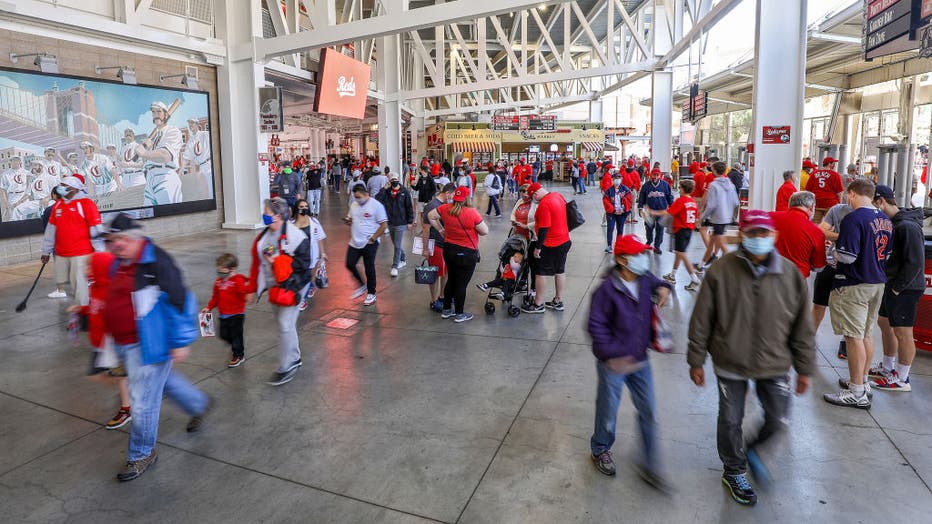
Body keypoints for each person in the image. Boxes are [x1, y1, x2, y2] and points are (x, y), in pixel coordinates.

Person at [687, 210, 815, 506]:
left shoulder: (790, 274)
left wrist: (805, 367)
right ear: (741, 235)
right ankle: (734, 469)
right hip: (730, 359)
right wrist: (696, 359)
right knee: (731, 419)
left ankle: (753, 449)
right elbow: (701, 319)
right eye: (752, 233)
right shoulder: (722, 271)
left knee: (778, 420)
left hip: (774, 361)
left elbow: (802, 327)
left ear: (774, 236)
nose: (758, 238)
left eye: (764, 233)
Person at [102, 213, 209, 481]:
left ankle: (142, 454)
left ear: (134, 238)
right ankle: (199, 404)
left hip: (149, 344)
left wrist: (181, 341)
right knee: (166, 382)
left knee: (142, 402)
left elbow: (182, 300)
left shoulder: (157, 262)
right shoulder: (120, 262)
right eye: (111, 241)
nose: (114, 245)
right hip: (127, 343)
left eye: (119, 240)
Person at [588, 234, 672, 490]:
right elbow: (595, 327)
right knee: (608, 411)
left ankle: (650, 463)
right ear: (623, 260)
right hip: (614, 363)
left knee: (648, 410)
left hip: (640, 359)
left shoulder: (645, 279)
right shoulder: (605, 291)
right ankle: (601, 448)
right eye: (638, 254)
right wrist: (613, 355)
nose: (643, 258)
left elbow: (658, 282)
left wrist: (664, 287)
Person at [823, 179, 893, 409]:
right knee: (865, 335)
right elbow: (888, 254)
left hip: (855, 283)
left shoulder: (853, 218)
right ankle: (862, 382)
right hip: (877, 282)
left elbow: (847, 255)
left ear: (851, 194)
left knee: (853, 337)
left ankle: (856, 392)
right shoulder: (884, 219)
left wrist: (833, 252)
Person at [247, 198, 312, 386]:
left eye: (266, 212)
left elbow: (304, 267)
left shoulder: (297, 237)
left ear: (277, 215)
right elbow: (256, 266)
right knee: (285, 324)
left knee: (285, 324)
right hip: (274, 288)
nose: (264, 215)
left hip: (294, 286)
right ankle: (295, 356)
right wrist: (254, 289)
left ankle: (286, 366)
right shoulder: (262, 239)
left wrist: (291, 284)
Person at [68, 250, 132, 430]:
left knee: (119, 376)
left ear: (101, 268)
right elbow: (94, 307)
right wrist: (81, 310)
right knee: (97, 375)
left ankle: (127, 408)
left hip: (112, 343)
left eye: (90, 266)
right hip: (100, 343)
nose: (86, 270)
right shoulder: (95, 287)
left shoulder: (112, 290)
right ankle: (128, 391)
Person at [868, 185, 924, 392]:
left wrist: (898, 288)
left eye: (873, 204)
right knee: (884, 322)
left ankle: (902, 378)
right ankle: (888, 367)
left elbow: (915, 262)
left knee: (903, 332)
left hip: (906, 287)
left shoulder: (907, 227)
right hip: (893, 283)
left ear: (880, 201)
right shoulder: (895, 224)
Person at [428, 186, 488, 322]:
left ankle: (447, 310)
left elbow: (430, 216)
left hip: (448, 249)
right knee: (461, 284)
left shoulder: (445, 208)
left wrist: (441, 230)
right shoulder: (472, 212)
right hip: (466, 252)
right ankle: (459, 314)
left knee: (451, 280)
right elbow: (485, 231)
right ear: (467, 198)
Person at [40, 176, 104, 306]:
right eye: (60, 185)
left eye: (64, 185)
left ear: (74, 189)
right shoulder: (58, 205)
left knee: (80, 287)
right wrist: (46, 251)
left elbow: (96, 229)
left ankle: (85, 314)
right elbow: (50, 231)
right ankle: (83, 311)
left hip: (81, 254)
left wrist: (101, 252)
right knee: (74, 287)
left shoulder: (86, 203)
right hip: (62, 254)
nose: (60, 188)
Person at [812, 202, 854, 359]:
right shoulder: (837, 209)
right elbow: (821, 230)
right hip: (832, 263)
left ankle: (846, 341)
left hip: (853, 268)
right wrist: (843, 237)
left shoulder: (868, 214)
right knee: (818, 303)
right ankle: (810, 338)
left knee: (849, 308)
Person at [522, 183, 571, 313]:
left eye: (533, 197)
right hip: (565, 240)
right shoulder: (558, 196)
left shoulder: (543, 205)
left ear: (536, 194)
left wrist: (538, 248)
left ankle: (538, 304)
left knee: (540, 273)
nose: (534, 200)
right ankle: (558, 301)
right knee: (560, 270)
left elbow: (544, 228)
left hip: (550, 244)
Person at [202, 253, 252, 367]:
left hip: (237, 314)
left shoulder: (238, 280)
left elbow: (245, 290)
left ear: (232, 269)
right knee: (223, 335)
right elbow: (215, 297)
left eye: (222, 270)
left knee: (236, 336)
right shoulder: (218, 282)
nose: (219, 272)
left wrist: (248, 293)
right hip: (223, 314)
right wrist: (208, 307)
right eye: (218, 270)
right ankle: (236, 345)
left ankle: (238, 355)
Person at [344, 185, 388, 306]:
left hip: (370, 242)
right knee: (349, 263)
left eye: (359, 197)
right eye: (355, 197)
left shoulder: (376, 206)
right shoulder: (354, 205)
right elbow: (351, 218)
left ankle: (371, 293)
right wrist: (348, 220)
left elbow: (384, 225)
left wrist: (373, 238)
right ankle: (361, 285)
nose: (357, 199)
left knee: (369, 267)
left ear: (365, 194)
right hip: (355, 241)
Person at [137, 101, 184, 205]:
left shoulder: (173, 131)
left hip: (165, 176)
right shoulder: (153, 137)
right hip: (150, 178)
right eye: (153, 112)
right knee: (148, 215)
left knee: (170, 216)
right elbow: (147, 161)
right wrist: (145, 151)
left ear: (166, 114)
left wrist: (144, 153)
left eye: (159, 111)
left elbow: (165, 155)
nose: (155, 115)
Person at [772, 191, 826, 278]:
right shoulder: (816, 232)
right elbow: (819, 267)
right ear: (812, 207)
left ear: (790, 204)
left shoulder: (769, 217)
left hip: (767, 277)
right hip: (796, 281)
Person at [697, 162, 739, 270]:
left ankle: (733, 267)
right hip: (727, 217)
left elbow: (711, 205)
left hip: (717, 218)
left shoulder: (713, 185)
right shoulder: (731, 185)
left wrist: (703, 216)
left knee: (722, 245)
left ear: (714, 171)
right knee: (712, 241)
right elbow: (735, 202)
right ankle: (701, 265)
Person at [661, 179, 701, 291]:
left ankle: (694, 279)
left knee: (682, 254)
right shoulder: (693, 202)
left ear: (683, 189)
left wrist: (654, 212)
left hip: (681, 230)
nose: (679, 190)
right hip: (689, 230)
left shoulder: (681, 201)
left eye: (680, 188)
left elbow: (669, 213)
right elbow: (696, 218)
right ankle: (672, 275)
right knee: (679, 253)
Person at [376, 172, 415, 277]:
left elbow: (409, 207)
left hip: (401, 222)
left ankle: (395, 266)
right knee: (395, 243)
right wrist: (384, 188)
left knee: (397, 245)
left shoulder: (404, 192)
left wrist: (410, 221)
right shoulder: (387, 192)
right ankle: (403, 258)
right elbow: (377, 200)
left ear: (398, 179)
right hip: (390, 222)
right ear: (389, 181)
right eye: (392, 180)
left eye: (395, 179)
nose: (394, 181)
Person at [422, 183, 454, 312]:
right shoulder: (432, 206)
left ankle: (442, 296)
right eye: (452, 195)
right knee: (434, 273)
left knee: (445, 272)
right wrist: (425, 249)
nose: (453, 198)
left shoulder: (446, 205)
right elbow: (425, 228)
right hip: (435, 245)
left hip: (446, 244)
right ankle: (434, 300)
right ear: (447, 193)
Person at [291, 198, 328, 311]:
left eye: (306, 207)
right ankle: (310, 287)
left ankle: (303, 299)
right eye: (301, 207)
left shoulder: (314, 222)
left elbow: (320, 238)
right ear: (297, 208)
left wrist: (323, 254)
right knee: (298, 278)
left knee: (305, 278)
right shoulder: (291, 224)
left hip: (310, 256)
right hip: (296, 257)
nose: (304, 209)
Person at [637, 168, 674, 254]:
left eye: (657, 175)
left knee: (660, 229)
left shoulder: (665, 185)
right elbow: (641, 198)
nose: (655, 177)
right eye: (654, 175)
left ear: (660, 176)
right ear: (651, 175)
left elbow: (670, 197)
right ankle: (649, 242)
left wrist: (672, 207)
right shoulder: (646, 185)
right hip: (649, 212)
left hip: (662, 211)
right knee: (649, 228)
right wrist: (640, 208)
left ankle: (657, 246)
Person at [806, 156, 844, 222]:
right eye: (833, 163)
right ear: (829, 164)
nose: (834, 165)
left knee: (815, 225)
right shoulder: (835, 175)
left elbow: (808, 190)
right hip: (830, 204)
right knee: (829, 226)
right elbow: (839, 193)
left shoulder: (813, 174)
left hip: (816, 203)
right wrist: (839, 204)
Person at [602, 173, 633, 253]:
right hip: (612, 213)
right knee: (610, 228)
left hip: (622, 213)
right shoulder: (609, 190)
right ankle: (609, 246)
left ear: (621, 179)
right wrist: (613, 210)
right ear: (613, 179)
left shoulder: (625, 189)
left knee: (620, 229)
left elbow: (629, 199)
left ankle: (619, 245)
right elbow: (605, 201)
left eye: (619, 178)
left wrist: (623, 209)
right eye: (616, 178)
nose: (617, 179)